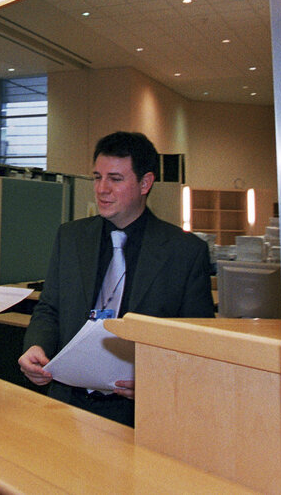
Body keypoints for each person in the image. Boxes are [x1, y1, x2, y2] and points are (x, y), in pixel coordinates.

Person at [17, 131, 213, 426]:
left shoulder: (185, 252)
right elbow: (49, 308)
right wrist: (35, 347)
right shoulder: (71, 237)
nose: (102, 189)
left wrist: (155, 380)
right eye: (97, 177)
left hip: (140, 415)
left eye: (115, 179)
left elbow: (197, 343)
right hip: (67, 404)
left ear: (145, 183)